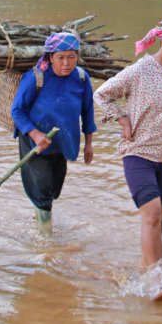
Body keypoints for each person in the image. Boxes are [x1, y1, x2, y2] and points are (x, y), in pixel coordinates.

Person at [94, 4, 162, 299]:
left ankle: (148, 271)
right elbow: (102, 94)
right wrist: (122, 118)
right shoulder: (140, 70)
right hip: (138, 152)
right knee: (152, 215)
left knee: (159, 220)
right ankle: (156, 280)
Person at [9, 32, 97, 236]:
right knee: (42, 189)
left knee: (54, 188)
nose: (66, 63)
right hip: (35, 140)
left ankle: (39, 213)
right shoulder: (35, 77)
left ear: (77, 57)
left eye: (71, 57)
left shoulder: (82, 77)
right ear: (50, 57)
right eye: (60, 57)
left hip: (64, 139)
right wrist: (35, 133)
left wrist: (89, 143)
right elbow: (17, 110)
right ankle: (46, 240)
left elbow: (88, 112)